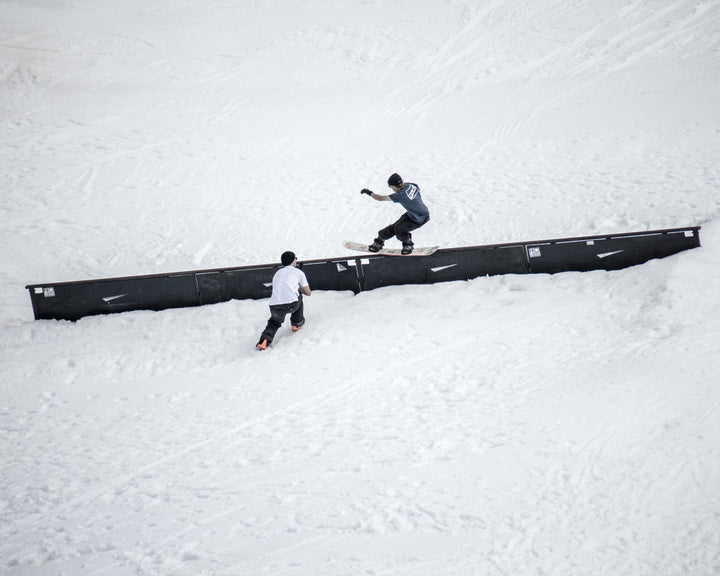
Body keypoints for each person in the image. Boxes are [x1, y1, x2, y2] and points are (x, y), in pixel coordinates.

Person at [360, 172, 430, 254]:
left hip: (420, 218)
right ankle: (379, 240)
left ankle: (408, 244)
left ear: (393, 185)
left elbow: (380, 198)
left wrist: (368, 192)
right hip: (413, 214)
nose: (391, 189)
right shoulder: (409, 185)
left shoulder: (400, 195)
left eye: (390, 187)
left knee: (399, 229)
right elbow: (416, 186)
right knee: (395, 227)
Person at [256, 251, 311, 351]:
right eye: (296, 258)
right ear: (293, 260)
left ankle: (264, 341)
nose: (296, 260)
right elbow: (308, 292)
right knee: (299, 296)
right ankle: (296, 323)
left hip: (275, 305)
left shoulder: (278, 273)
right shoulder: (298, 272)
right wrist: (299, 288)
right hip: (291, 304)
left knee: (274, 322)